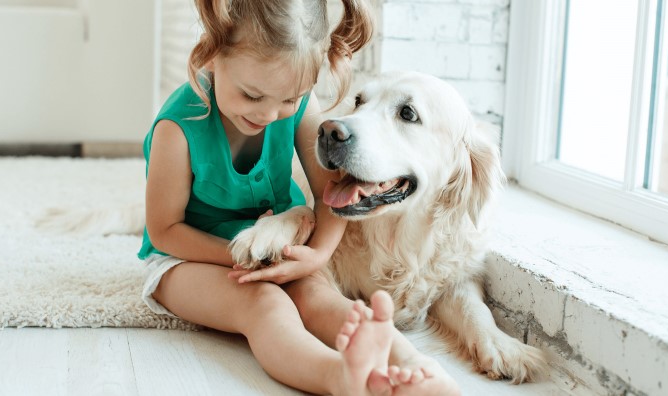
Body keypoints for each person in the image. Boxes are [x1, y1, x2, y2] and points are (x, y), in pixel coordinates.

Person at [138, 0, 460, 394]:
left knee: (320, 298)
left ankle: (419, 370)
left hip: (273, 248)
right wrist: (249, 257)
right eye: (252, 96)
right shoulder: (177, 128)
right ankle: (338, 377)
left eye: (289, 100)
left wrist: (318, 254)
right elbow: (165, 230)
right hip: (186, 258)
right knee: (262, 304)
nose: (270, 114)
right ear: (211, 55)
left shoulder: (296, 104)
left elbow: (332, 194)